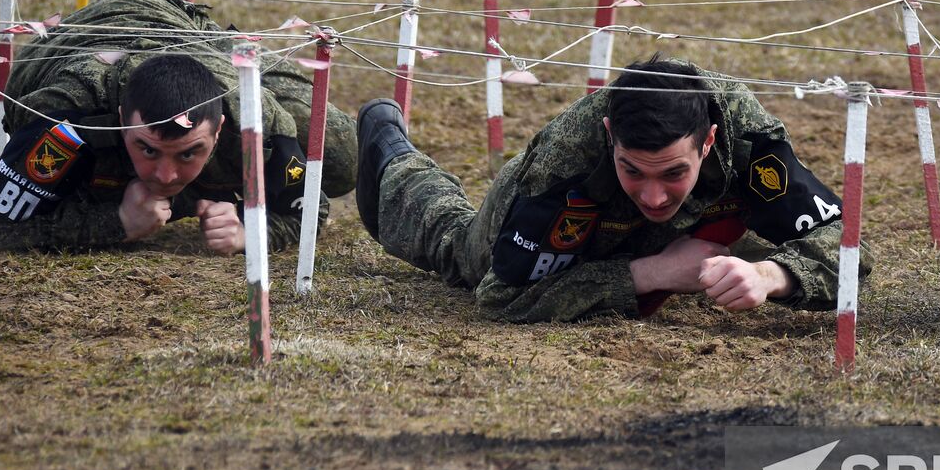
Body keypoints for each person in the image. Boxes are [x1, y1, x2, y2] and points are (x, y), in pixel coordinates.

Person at [354, 55, 868, 322]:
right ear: (608, 138)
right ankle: (394, 157)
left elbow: (848, 249)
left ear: (709, 142)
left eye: (672, 173)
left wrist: (769, 275)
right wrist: (654, 273)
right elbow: (502, 297)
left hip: (697, 224)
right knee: (458, 251)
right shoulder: (564, 160)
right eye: (632, 171)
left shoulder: (745, 132)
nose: (651, 196)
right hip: (576, 224)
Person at [0, 0, 357, 252]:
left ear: (221, 129)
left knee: (340, 160)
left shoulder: (254, 119)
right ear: (122, 118)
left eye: (188, 154)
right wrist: (117, 222)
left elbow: (309, 208)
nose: (164, 175)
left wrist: (249, 228)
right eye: (148, 149)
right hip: (76, 39)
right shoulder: (66, 119)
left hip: (183, 31)